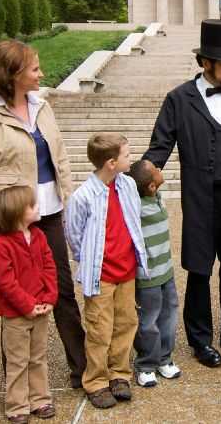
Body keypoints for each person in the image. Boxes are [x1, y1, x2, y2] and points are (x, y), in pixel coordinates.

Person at [143, 19, 221, 368]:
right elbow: (160, 147)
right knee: (199, 268)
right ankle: (200, 340)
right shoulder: (178, 99)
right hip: (201, 198)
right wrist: (137, 179)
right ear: (205, 62)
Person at [0, 40, 86, 390]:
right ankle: (17, 386)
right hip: (12, 223)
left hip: (49, 214)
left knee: (61, 290)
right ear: (12, 75)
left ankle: (83, 370)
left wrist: (68, 205)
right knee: (16, 299)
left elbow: (60, 157)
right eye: (34, 69)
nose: (41, 74)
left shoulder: (42, 107)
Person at [64, 132, 149, 410]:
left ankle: (119, 374)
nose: (130, 159)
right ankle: (96, 381)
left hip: (127, 271)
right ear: (111, 162)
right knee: (100, 330)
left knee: (126, 324)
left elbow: (133, 221)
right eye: (126, 155)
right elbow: (74, 235)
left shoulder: (127, 185)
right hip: (101, 275)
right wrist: (89, 260)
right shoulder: (83, 196)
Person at [0, 186, 58, 424]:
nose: (38, 207)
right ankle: (17, 405)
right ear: (17, 212)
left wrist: (49, 297)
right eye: (33, 205)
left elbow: (49, 266)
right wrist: (27, 305)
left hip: (41, 308)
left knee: (38, 357)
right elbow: (5, 281)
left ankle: (40, 399)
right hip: (17, 314)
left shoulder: (38, 235)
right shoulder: (0, 244)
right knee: (18, 361)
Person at [127, 159, 182, 387]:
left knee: (169, 314)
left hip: (166, 271)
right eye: (155, 170)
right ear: (150, 186)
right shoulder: (136, 208)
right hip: (148, 276)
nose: (160, 169)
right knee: (148, 320)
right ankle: (146, 364)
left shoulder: (157, 197)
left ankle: (164, 358)